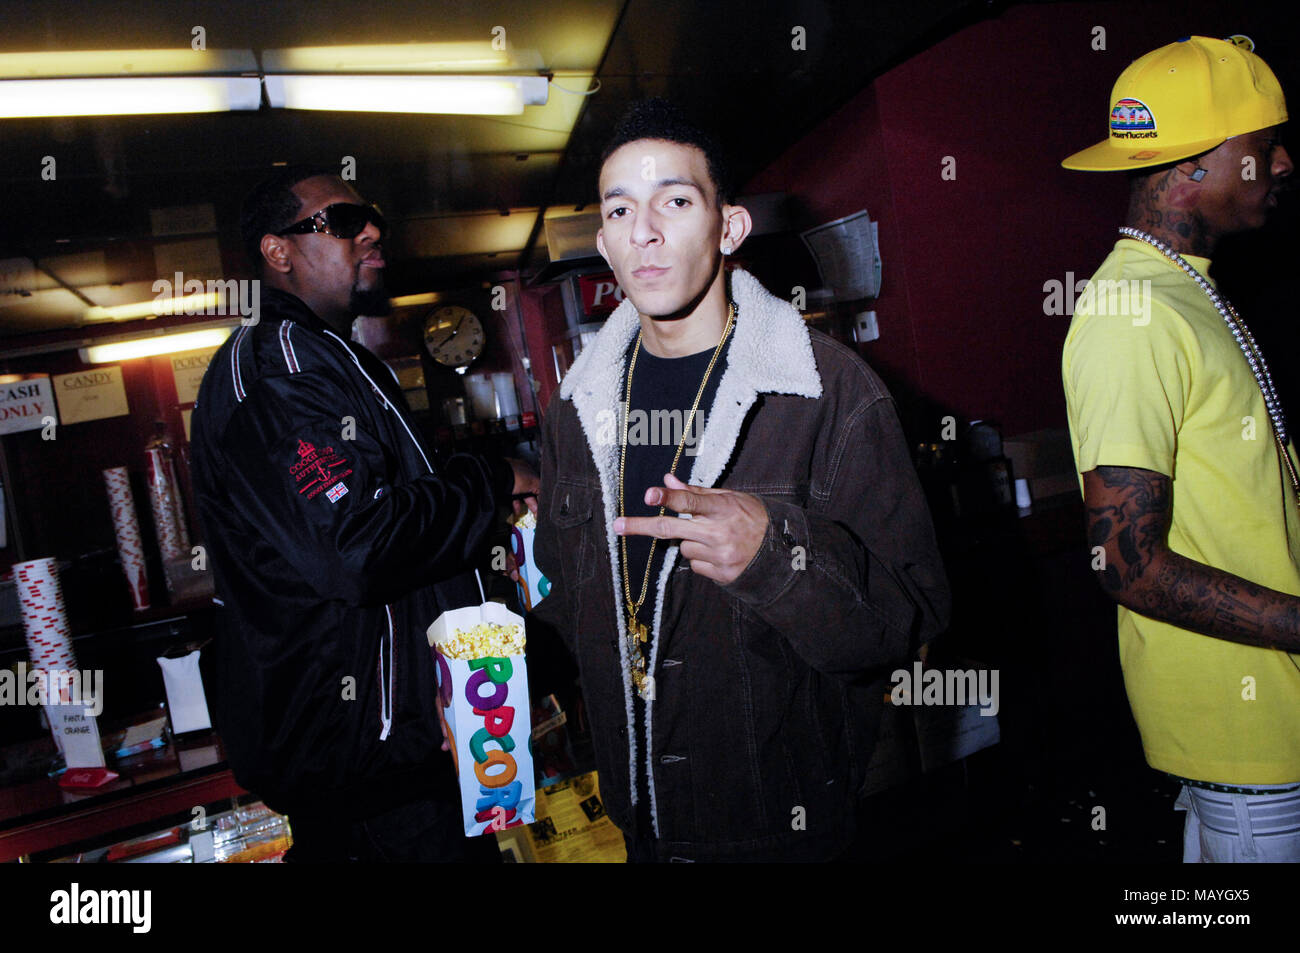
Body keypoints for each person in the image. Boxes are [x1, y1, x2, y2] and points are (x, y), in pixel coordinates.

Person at [529, 100, 950, 861]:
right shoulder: (574, 409)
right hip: (641, 826)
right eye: (621, 210)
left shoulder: (829, 392)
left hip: (781, 832)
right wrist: (496, 665)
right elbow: (574, 602)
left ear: (729, 228)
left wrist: (778, 557)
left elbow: (911, 622)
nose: (645, 231)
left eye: (676, 201)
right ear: (603, 242)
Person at [190, 165, 536, 862]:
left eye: (371, 215)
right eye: (343, 222)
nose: (373, 230)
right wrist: (493, 478)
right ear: (277, 252)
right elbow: (359, 545)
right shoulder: (279, 370)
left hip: (408, 757)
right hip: (373, 789)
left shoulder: (330, 360)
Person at [1061, 36, 1300, 862]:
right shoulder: (1131, 309)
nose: (1285, 163)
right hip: (1247, 733)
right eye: (1265, 147)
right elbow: (1125, 563)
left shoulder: (1179, 288)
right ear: (1200, 164)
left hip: (1268, 724)